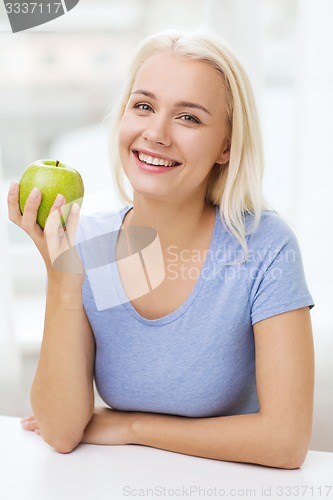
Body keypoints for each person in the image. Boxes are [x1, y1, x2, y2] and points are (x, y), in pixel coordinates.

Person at [7, 29, 314, 469]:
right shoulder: (88, 245)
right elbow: (59, 430)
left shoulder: (263, 246)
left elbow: (285, 442)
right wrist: (62, 278)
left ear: (226, 145)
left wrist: (132, 427)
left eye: (188, 118)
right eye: (144, 106)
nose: (156, 133)